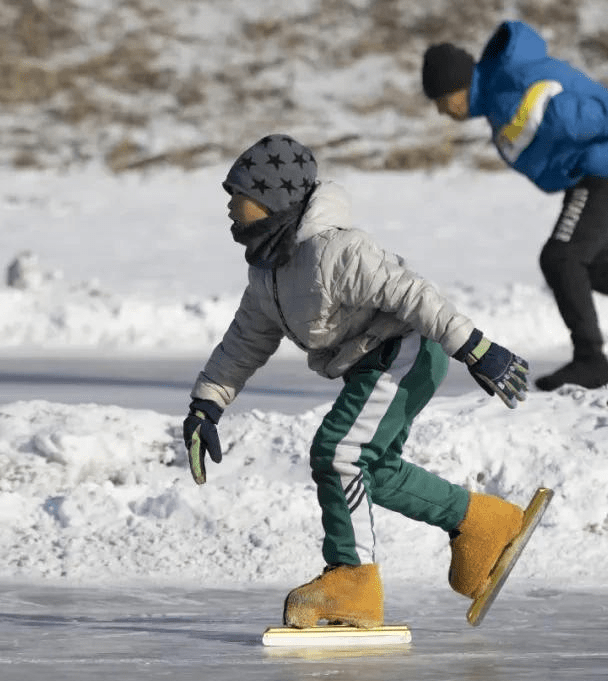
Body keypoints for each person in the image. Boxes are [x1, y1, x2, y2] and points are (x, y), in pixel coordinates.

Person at [183, 133, 530, 628]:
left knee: (339, 452)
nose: (229, 206)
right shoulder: (268, 272)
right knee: (371, 468)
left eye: (237, 194)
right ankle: (482, 524)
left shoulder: (337, 250)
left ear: (270, 198)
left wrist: (474, 348)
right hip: (374, 360)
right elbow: (242, 343)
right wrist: (206, 405)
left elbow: (413, 294)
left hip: (408, 347)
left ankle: (353, 581)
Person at [421, 20, 608, 391]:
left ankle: (591, 360)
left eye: (440, 100)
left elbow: (571, 116)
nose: (440, 111)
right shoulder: (499, 95)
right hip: (602, 167)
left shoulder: (505, 89)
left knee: (562, 257)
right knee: (588, 265)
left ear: (456, 88)